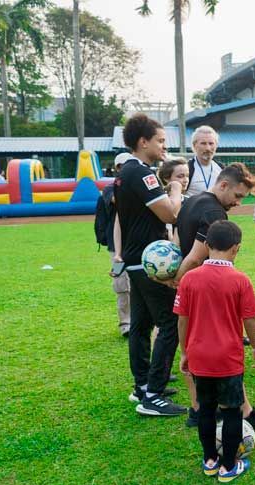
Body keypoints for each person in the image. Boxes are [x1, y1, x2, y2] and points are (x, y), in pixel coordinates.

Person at [173, 164, 255, 436]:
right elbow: (197, 256)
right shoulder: (213, 212)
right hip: (201, 287)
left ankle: (197, 410)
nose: (238, 202)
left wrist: (176, 281)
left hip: (189, 287)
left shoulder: (191, 201)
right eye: (237, 195)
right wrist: (179, 280)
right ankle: (244, 412)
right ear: (223, 185)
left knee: (190, 346)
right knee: (223, 341)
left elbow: (175, 241)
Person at [174, 220, 255, 483]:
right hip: (227, 358)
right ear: (235, 249)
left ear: (207, 245)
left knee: (206, 408)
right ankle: (228, 466)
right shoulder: (239, 280)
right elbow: (249, 321)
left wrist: (184, 352)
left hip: (200, 356)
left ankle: (210, 460)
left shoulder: (189, 279)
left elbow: (182, 320)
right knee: (231, 410)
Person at [114, 114, 185, 417]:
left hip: (135, 260)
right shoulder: (142, 174)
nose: (164, 148)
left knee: (142, 326)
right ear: (143, 142)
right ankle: (153, 395)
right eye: (160, 141)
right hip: (149, 260)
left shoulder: (124, 173)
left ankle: (142, 385)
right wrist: (176, 189)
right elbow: (170, 215)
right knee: (170, 322)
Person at [96, 152, 131, 337]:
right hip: (116, 247)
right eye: (125, 166)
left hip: (136, 243)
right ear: (118, 169)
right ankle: (125, 323)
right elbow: (116, 201)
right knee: (121, 284)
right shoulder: (110, 189)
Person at [157, 157, 189, 243]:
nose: (186, 180)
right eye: (180, 176)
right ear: (166, 178)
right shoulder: (157, 201)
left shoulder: (189, 201)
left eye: (187, 176)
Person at [187, 125, 222, 196]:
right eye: (203, 143)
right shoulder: (187, 169)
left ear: (216, 145)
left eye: (211, 143)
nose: (208, 148)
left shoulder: (221, 169)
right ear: (194, 145)